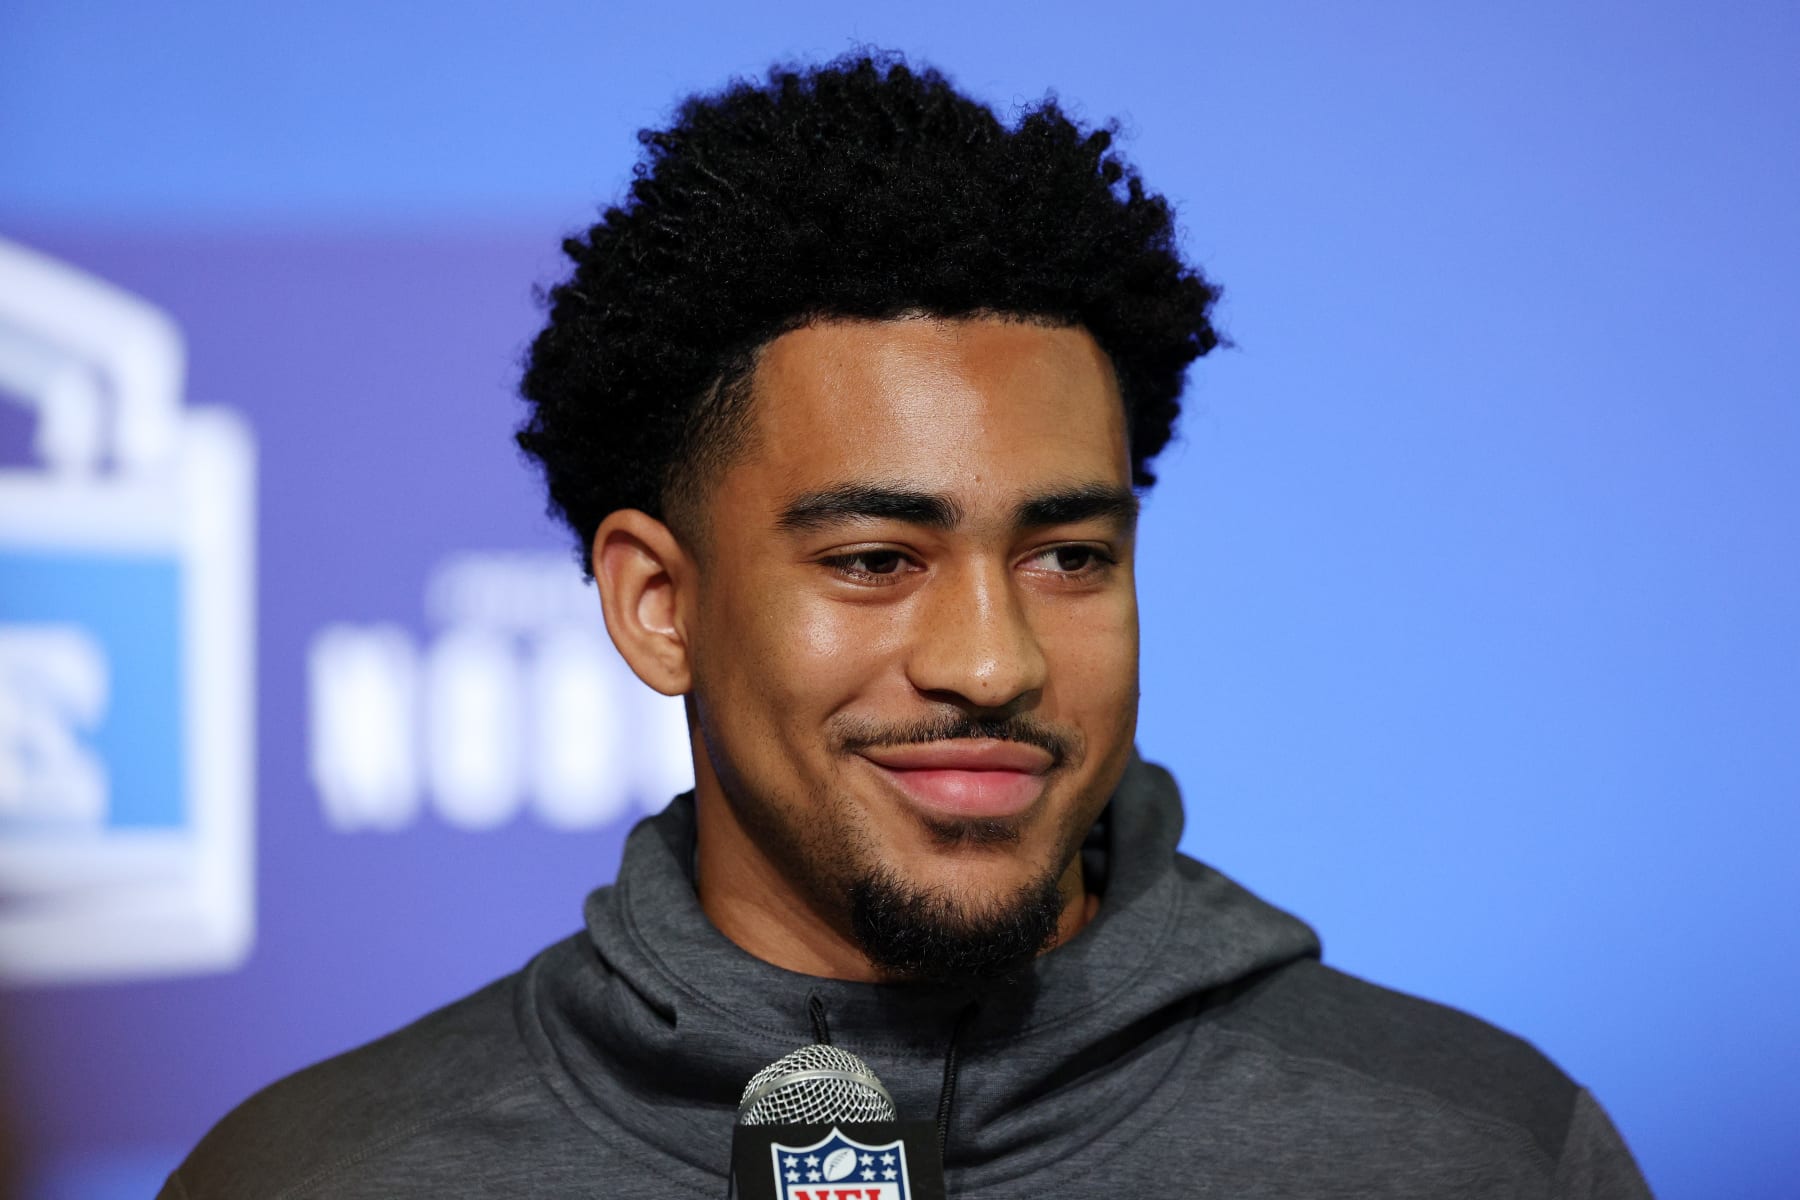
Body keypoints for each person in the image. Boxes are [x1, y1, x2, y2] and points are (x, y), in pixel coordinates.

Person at [164, 55, 1651, 1198]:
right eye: (878, 559)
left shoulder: (1479, 1149)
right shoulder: (319, 1174)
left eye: (1069, 554)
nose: (995, 663)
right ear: (658, 604)